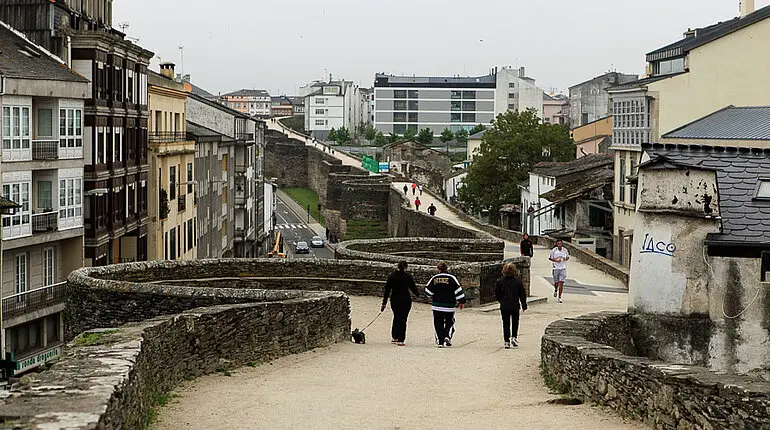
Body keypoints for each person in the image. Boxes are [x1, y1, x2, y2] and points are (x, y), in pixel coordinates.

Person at [425, 262, 466, 348]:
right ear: (447, 268)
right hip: (449, 305)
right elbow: (458, 291)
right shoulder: (452, 278)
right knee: (449, 321)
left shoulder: (434, 278)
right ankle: (447, 336)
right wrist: (462, 301)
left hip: (437, 305)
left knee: (438, 322)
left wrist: (433, 295)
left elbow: (427, 291)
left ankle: (440, 342)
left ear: (438, 269)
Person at [381, 261, 420, 346]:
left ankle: (395, 336)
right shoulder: (408, 277)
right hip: (406, 299)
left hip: (395, 299)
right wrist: (417, 294)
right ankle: (401, 339)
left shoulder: (392, 276)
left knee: (396, 316)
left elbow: (387, 290)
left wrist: (384, 303)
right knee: (403, 318)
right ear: (406, 267)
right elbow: (413, 288)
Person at [495, 263, 527, 348]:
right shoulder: (518, 282)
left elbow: (497, 294)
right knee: (515, 322)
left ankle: (506, 341)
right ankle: (514, 337)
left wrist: (501, 301)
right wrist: (524, 305)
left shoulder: (500, 282)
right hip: (515, 305)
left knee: (506, 323)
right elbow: (522, 294)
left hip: (504, 305)